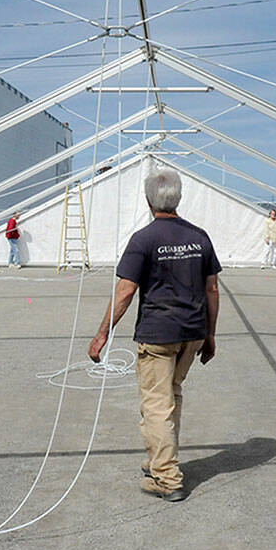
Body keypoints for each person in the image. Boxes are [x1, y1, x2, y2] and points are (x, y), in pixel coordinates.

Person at [88, 167, 220, 503]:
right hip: (192, 332)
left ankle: (167, 478)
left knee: (157, 404)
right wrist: (210, 335)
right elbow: (212, 289)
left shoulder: (144, 239)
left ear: (149, 200)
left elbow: (125, 290)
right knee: (171, 395)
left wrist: (102, 334)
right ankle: (159, 459)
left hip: (159, 334)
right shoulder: (199, 236)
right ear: (179, 198)